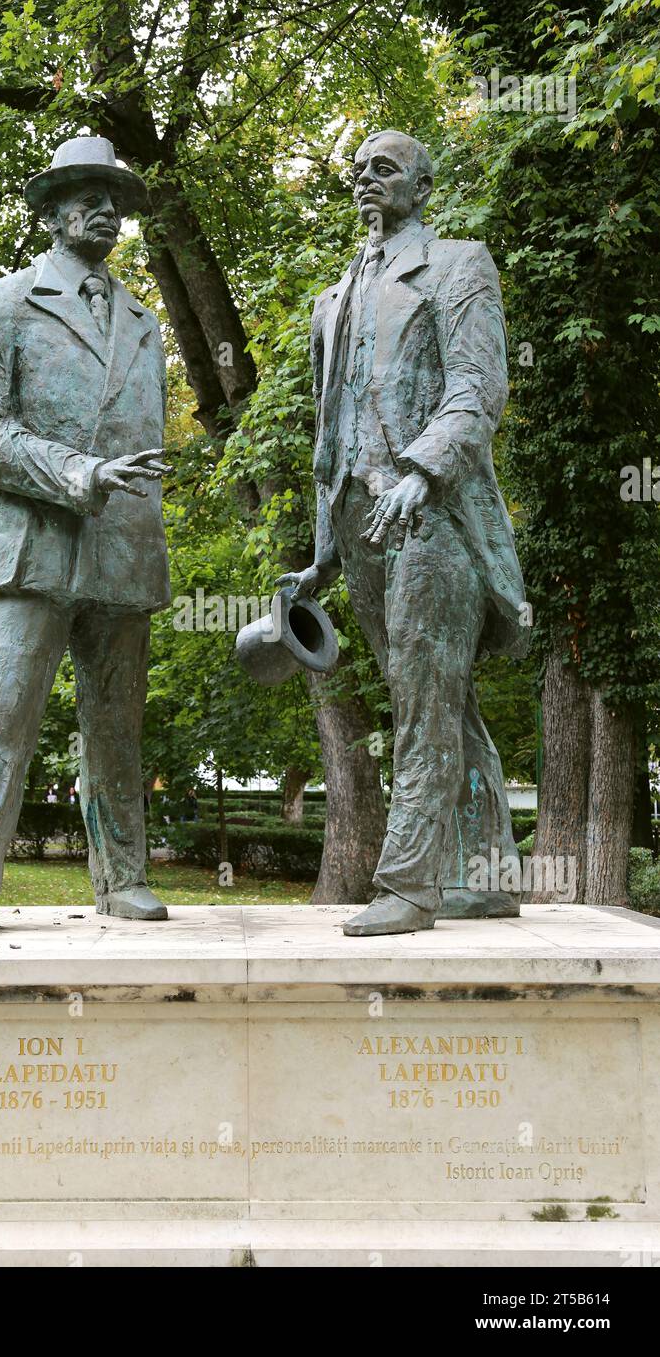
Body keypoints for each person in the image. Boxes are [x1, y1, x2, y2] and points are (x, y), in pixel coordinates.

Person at [279, 130, 529, 936]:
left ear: (422, 186)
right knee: (436, 699)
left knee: (423, 699)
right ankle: (485, 872)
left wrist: (423, 472)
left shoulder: (458, 266)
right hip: (357, 519)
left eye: (384, 169)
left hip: (432, 509)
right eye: (358, 170)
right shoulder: (336, 294)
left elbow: (477, 389)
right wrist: (320, 553)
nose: (366, 180)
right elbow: (333, 430)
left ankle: (410, 886)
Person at [0, 137, 172, 938]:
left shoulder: (145, 323)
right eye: (85, 192)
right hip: (33, 545)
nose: (105, 207)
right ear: (48, 211)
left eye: (114, 196)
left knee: (117, 724)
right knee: (3, 716)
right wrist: (78, 473)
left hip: (123, 548)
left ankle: (124, 877)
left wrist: (120, 493)